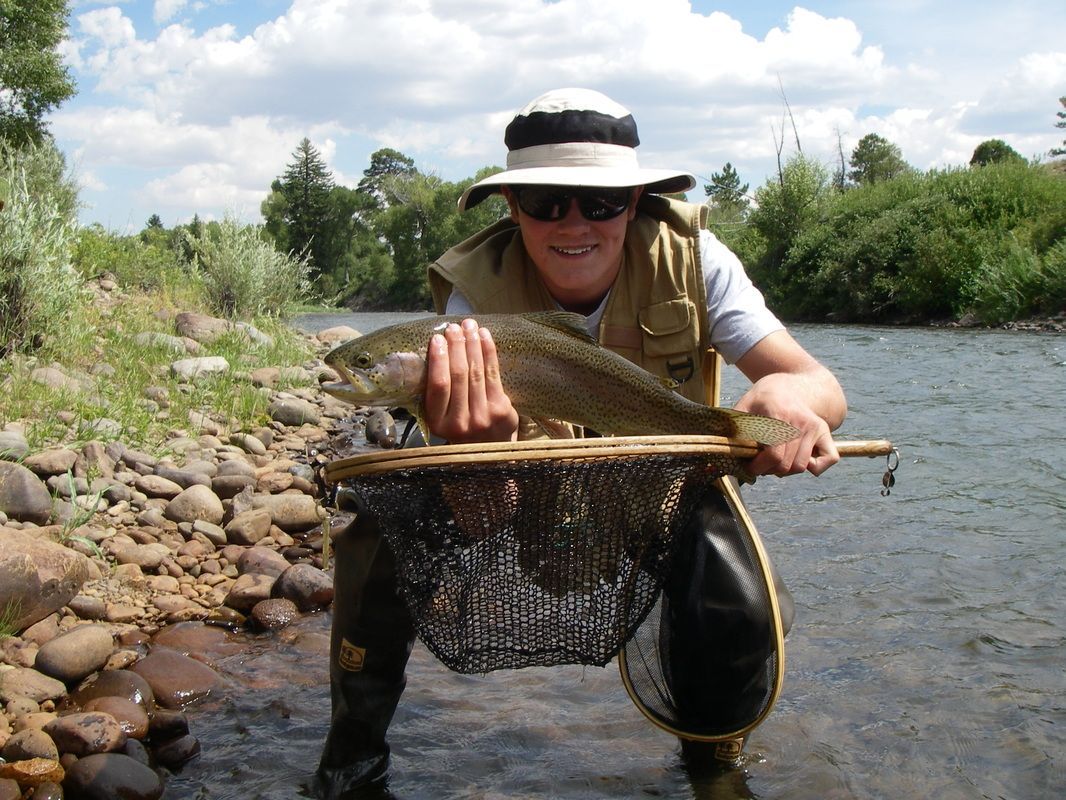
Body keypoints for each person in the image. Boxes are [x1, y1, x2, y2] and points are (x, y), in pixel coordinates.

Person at [315, 88, 847, 798]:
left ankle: (714, 765)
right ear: (513, 206)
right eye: (546, 200)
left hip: (661, 484)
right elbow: (482, 515)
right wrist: (482, 454)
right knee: (384, 528)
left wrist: (786, 402)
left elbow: (821, 386)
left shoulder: (693, 256)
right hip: (532, 495)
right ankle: (351, 762)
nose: (575, 222)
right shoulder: (468, 310)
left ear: (634, 202)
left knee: (732, 573)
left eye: (600, 203)